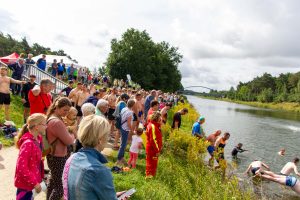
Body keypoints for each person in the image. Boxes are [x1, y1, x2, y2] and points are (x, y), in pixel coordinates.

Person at [62, 115, 129, 199]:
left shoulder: (71, 158)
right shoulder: (98, 170)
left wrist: (112, 195)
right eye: (107, 135)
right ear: (100, 140)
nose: (108, 138)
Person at [46, 97, 75, 200]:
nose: (66, 113)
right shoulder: (56, 122)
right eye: (64, 110)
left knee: (53, 182)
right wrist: (72, 133)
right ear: (57, 107)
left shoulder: (53, 117)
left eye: (68, 110)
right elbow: (69, 141)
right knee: (60, 188)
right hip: (58, 157)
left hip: (53, 155)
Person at [14, 113, 46, 200]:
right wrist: (34, 183)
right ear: (36, 126)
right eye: (44, 124)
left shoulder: (38, 139)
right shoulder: (28, 144)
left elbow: (36, 161)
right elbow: (21, 167)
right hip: (25, 185)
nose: (46, 127)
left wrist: (42, 174)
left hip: (31, 183)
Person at [116, 99, 135, 165]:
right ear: (133, 105)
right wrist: (132, 131)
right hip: (125, 129)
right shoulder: (130, 112)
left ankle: (122, 157)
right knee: (123, 144)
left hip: (122, 127)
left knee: (123, 143)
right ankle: (119, 159)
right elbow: (129, 123)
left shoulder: (124, 109)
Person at [146, 111, 163, 178]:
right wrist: (157, 151)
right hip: (153, 150)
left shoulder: (154, 125)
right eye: (160, 118)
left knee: (152, 163)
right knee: (152, 163)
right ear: (157, 118)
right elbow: (153, 140)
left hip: (153, 150)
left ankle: (150, 176)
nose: (161, 119)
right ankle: (150, 177)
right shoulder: (152, 126)